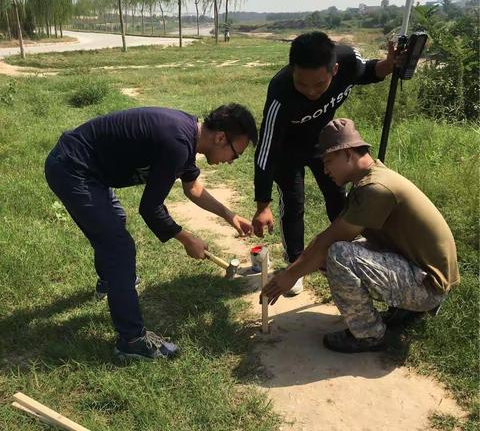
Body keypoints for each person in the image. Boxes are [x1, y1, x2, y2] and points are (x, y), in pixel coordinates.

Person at [45, 103, 258, 360]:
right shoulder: (177, 143)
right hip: (72, 168)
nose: (231, 161)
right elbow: (150, 208)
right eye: (235, 154)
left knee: (115, 222)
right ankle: (132, 340)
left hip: (85, 169)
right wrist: (185, 237)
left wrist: (229, 215)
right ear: (221, 137)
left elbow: (193, 188)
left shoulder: (189, 138)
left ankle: (110, 282)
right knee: (119, 248)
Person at [261, 118, 459, 353]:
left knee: (338, 254)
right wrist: (297, 268)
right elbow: (330, 235)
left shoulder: (376, 188)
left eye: (328, 161)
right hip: (420, 271)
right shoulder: (370, 179)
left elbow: (329, 243)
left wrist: (290, 275)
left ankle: (368, 334)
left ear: (347, 153)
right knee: (333, 252)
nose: (325, 170)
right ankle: (404, 309)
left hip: (429, 287)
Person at [252, 31, 396, 295]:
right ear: (292, 70)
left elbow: (368, 72)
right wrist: (263, 204)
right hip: (287, 151)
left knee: (338, 199)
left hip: (323, 146)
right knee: (293, 203)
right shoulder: (280, 92)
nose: (310, 92)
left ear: (335, 70)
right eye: (302, 84)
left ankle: (351, 256)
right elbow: (266, 148)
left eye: (319, 85)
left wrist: (388, 65)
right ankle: (295, 264)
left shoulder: (349, 61)